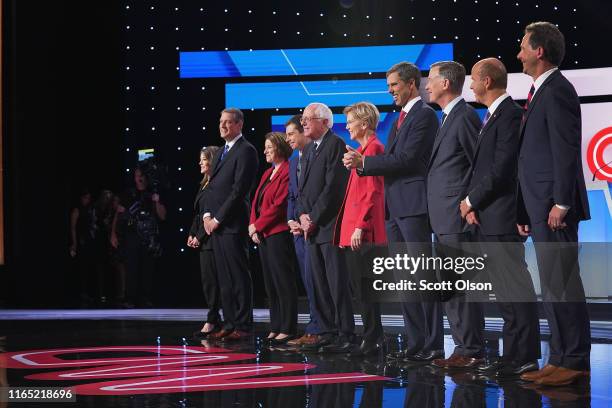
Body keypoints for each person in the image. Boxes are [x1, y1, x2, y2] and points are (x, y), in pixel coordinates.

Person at [343, 62, 443, 362]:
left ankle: (433, 345)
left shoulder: (424, 115)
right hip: (396, 209)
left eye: (394, 85)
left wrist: (364, 164)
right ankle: (415, 345)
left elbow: (409, 159)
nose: (390, 91)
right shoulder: (401, 118)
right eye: (389, 86)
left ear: (412, 83)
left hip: (413, 207)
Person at [516, 22, 591, 386]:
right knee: (551, 284)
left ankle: (574, 360)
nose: (519, 54)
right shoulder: (540, 91)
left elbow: (564, 150)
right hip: (540, 207)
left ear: (539, 51)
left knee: (563, 283)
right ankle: (559, 357)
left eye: (523, 47)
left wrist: (562, 202)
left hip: (554, 207)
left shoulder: (558, 90)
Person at [461, 57, 541, 377]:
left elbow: (502, 169)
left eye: (474, 80)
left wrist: (471, 200)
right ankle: (513, 355)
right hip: (489, 217)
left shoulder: (509, 114)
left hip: (503, 217)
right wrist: (474, 206)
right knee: (505, 293)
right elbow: (484, 168)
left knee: (514, 290)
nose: (470, 85)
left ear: (488, 82)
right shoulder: (493, 116)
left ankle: (524, 356)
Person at [424, 61, 484, 369]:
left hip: (457, 219)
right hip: (443, 219)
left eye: (431, 80)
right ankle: (463, 346)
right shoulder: (448, 118)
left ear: (446, 84)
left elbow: (479, 165)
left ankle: (471, 348)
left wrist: (469, 204)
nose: (426, 85)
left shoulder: (463, 117)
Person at [296, 102, 353, 353]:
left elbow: (334, 189)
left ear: (326, 122)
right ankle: (327, 331)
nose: (304, 123)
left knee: (336, 283)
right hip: (312, 228)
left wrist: (313, 217)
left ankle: (346, 333)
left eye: (309, 118)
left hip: (329, 227)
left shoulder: (336, 145)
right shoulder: (309, 149)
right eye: (303, 119)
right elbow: (302, 191)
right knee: (318, 283)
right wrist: (302, 216)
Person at [335, 102, 386, 356]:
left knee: (366, 289)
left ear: (364, 124)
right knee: (359, 289)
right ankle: (371, 337)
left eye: (351, 121)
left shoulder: (374, 148)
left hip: (363, 232)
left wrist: (359, 227)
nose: (347, 126)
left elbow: (373, 192)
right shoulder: (361, 151)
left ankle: (373, 339)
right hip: (353, 230)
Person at [204, 108, 259, 341]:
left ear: (239, 125)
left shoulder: (246, 150)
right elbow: (211, 186)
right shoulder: (220, 152)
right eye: (221, 121)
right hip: (215, 225)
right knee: (224, 278)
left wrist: (217, 218)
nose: (223, 126)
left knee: (238, 276)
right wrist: (207, 215)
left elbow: (239, 191)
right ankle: (229, 322)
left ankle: (243, 325)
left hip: (232, 223)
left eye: (228, 122)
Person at [249, 132, 298, 345]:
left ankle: (288, 327)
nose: (265, 151)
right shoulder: (267, 173)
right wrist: (253, 226)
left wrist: (258, 226)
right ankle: (276, 326)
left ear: (279, 147)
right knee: (270, 284)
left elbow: (279, 206)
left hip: (277, 234)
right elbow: (255, 203)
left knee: (283, 282)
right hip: (263, 235)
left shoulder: (288, 170)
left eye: (269, 147)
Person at [285, 115, 323, 347]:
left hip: (315, 228)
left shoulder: (315, 154)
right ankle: (313, 326)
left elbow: (317, 192)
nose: (287, 138)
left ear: (303, 133)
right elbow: (293, 195)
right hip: (298, 230)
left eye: (291, 134)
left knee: (318, 283)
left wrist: (307, 219)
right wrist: (292, 219)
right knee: (308, 283)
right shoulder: (292, 161)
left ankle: (320, 329)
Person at [112, 167, 167, 307]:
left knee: (147, 268)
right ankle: (130, 298)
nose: (139, 178)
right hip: (132, 235)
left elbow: (162, 216)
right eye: (137, 175)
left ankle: (146, 297)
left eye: (142, 175)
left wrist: (156, 201)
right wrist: (113, 233)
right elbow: (118, 214)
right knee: (131, 268)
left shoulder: (152, 194)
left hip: (148, 237)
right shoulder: (128, 194)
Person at [188, 146, 222, 339]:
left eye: (204, 159)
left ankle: (214, 320)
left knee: (216, 282)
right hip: (203, 239)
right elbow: (199, 213)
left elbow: (212, 214)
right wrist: (192, 234)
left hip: (213, 239)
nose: (200, 163)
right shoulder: (204, 184)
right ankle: (213, 318)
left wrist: (199, 236)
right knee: (208, 282)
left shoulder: (217, 185)